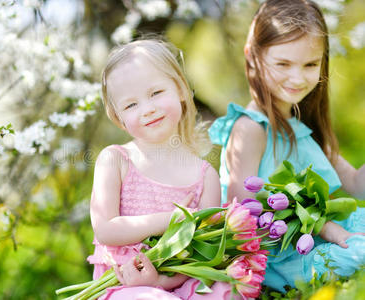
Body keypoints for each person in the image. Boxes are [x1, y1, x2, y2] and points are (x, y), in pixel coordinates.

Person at [208, 0, 365, 293]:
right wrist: (322, 227)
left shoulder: (302, 123)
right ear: (252, 56)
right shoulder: (251, 128)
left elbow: (356, 184)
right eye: (283, 64)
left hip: (324, 236)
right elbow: (242, 211)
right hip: (286, 255)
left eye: (310, 64)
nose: (297, 78)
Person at [88, 39, 239, 299]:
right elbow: (106, 229)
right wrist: (173, 219)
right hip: (124, 284)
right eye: (131, 105)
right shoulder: (115, 160)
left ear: (181, 89)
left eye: (156, 93)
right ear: (119, 118)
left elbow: (204, 252)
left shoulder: (205, 176)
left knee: (229, 291)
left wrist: (161, 281)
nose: (148, 109)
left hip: (178, 284)